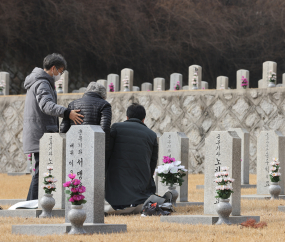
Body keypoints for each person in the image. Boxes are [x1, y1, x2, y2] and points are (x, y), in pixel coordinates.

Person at [23, 53, 84, 201]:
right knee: (41, 171)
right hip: (41, 133)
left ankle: (33, 202)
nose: (60, 75)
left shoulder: (39, 81)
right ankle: (31, 203)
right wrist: (67, 113)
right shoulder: (42, 83)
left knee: (41, 170)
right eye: (60, 71)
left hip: (39, 131)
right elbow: (46, 106)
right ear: (53, 68)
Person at [105, 103, 158, 209]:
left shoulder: (116, 128)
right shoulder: (151, 134)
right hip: (140, 188)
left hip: (115, 191)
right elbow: (153, 162)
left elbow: (107, 152)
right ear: (143, 119)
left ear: (127, 117)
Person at [60, 82, 112, 155]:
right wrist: (104, 150)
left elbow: (64, 127)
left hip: (75, 144)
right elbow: (105, 128)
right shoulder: (104, 104)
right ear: (103, 95)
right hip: (93, 145)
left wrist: (64, 146)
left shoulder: (72, 104)